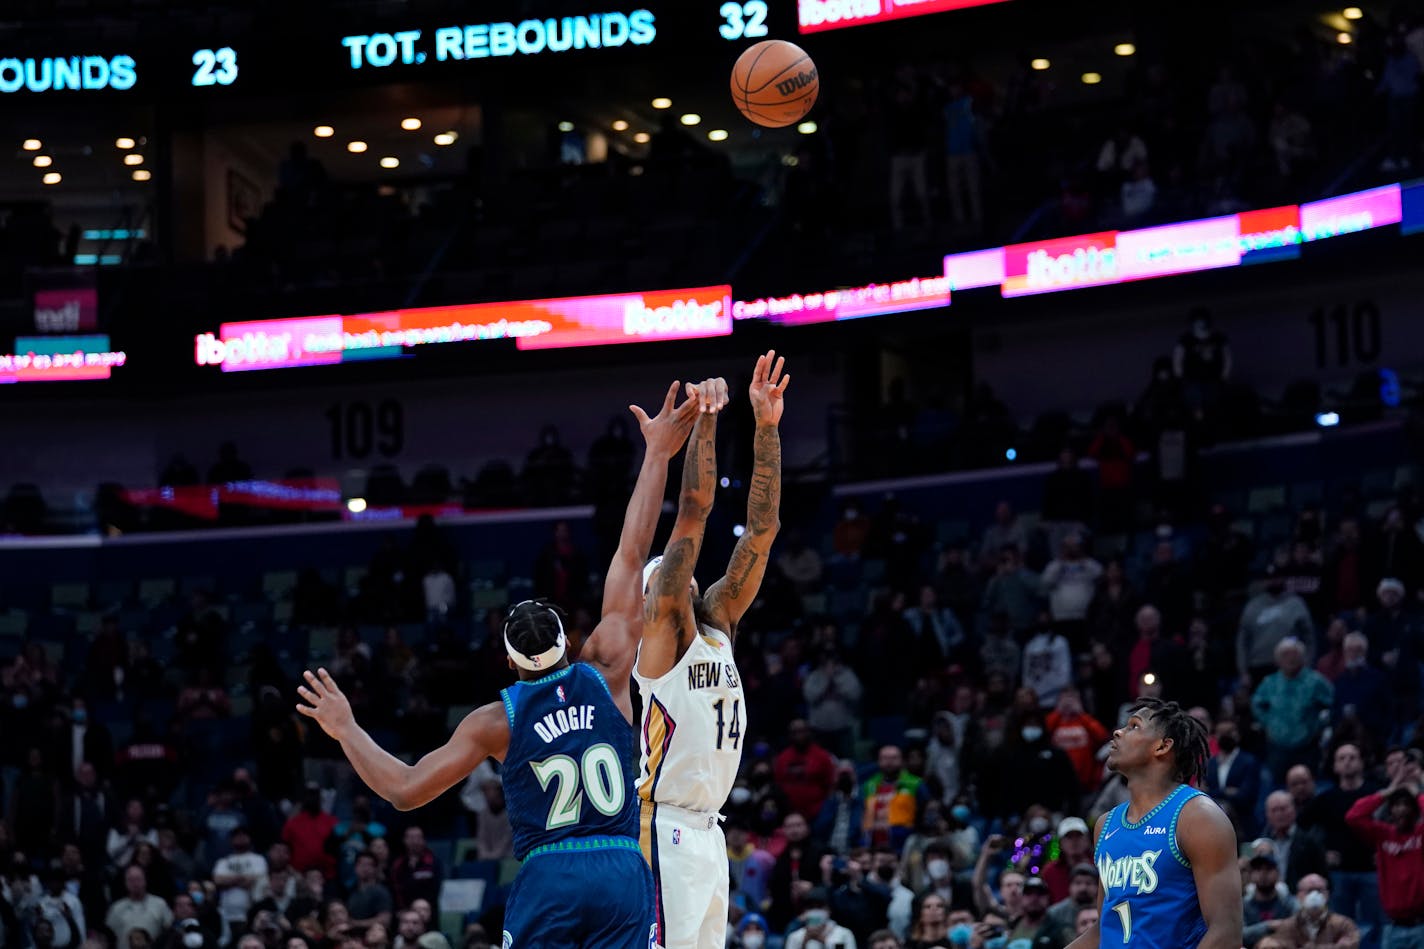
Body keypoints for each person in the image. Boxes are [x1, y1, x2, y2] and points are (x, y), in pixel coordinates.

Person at [295, 378, 709, 948]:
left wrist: (344, 728)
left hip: (550, 873)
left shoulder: (496, 721)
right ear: (567, 644)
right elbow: (630, 553)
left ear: (509, 661)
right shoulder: (607, 667)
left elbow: (406, 790)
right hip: (620, 865)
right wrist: (658, 452)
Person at [635, 352, 787, 949]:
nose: (683, 581)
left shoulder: (717, 621)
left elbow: (762, 532)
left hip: (708, 831)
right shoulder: (664, 633)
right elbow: (693, 515)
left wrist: (767, 428)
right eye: (670, 579)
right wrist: (706, 418)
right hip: (661, 827)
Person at [1065, 697, 1242, 949]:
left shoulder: (1197, 816)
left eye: (1133, 726)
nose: (1118, 731)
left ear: (1162, 746)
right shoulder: (1106, 825)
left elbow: (1226, 933)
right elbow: (1103, 930)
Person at [1346, 778, 1424, 949]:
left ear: (1415, 810)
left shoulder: (1421, 834)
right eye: (1396, 805)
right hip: (1393, 926)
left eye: (1406, 804)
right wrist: (1386, 793)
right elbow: (1353, 816)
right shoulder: (1383, 834)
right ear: (1390, 811)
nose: (1401, 809)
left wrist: (1418, 794)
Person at [1256, 874, 1360, 949]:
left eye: (1319, 890)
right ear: (1299, 896)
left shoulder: (1343, 924)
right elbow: (1273, 945)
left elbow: (1350, 945)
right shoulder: (1288, 925)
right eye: (1309, 891)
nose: (1314, 895)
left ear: (1327, 895)